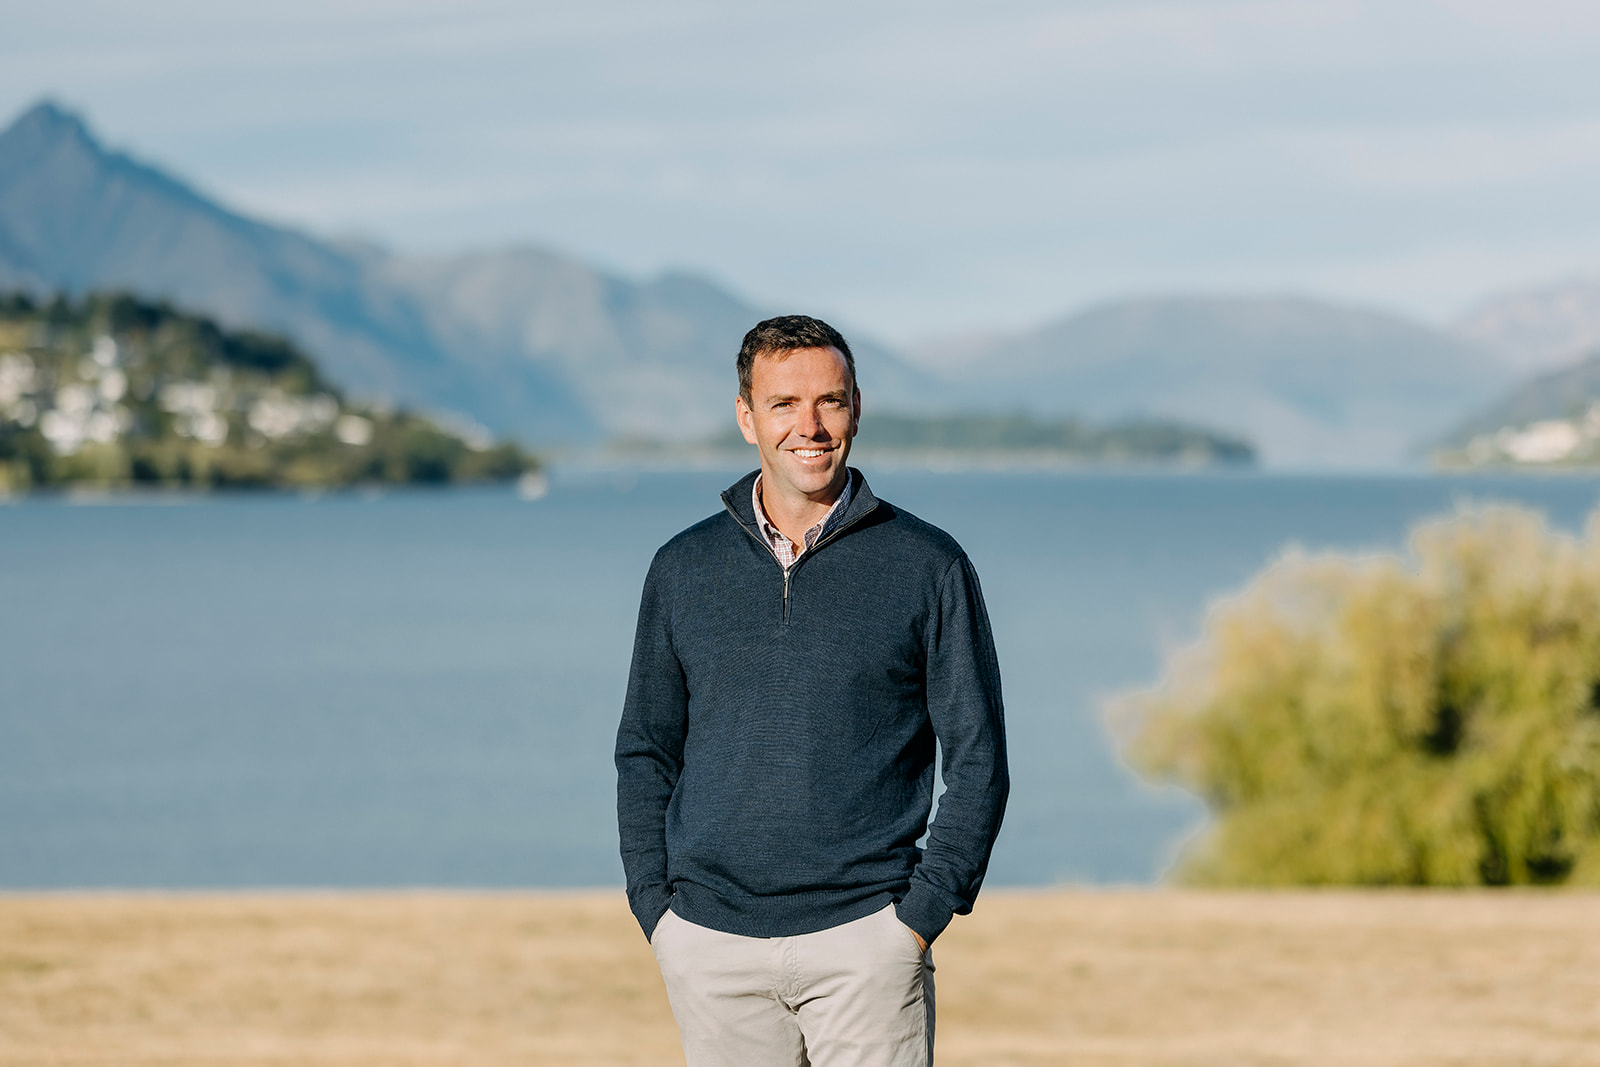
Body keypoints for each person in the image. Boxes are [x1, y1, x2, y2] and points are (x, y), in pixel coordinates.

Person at [615, 314, 1009, 1066]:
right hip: (710, 945)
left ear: (857, 408)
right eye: (783, 404)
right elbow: (645, 749)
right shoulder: (682, 567)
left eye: (830, 401)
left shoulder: (928, 565)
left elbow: (979, 759)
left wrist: (918, 918)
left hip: (867, 941)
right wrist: (657, 911)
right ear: (746, 416)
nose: (811, 425)